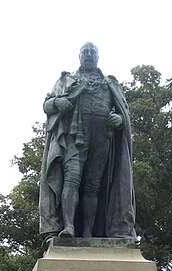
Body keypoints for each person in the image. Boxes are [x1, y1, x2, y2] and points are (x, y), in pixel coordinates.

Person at [39, 42, 136, 240]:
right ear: (79, 56)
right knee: (72, 179)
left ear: (98, 56)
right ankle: (68, 226)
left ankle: (88, 232)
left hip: (102, 140)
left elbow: (123, 114)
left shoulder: (110, 83)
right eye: (85, 52)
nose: (89, 54)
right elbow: (47, 104)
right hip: (75, 139)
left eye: (93, 52)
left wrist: (118, 120)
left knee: (93, 186)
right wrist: (58, 102)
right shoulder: (67, 80)